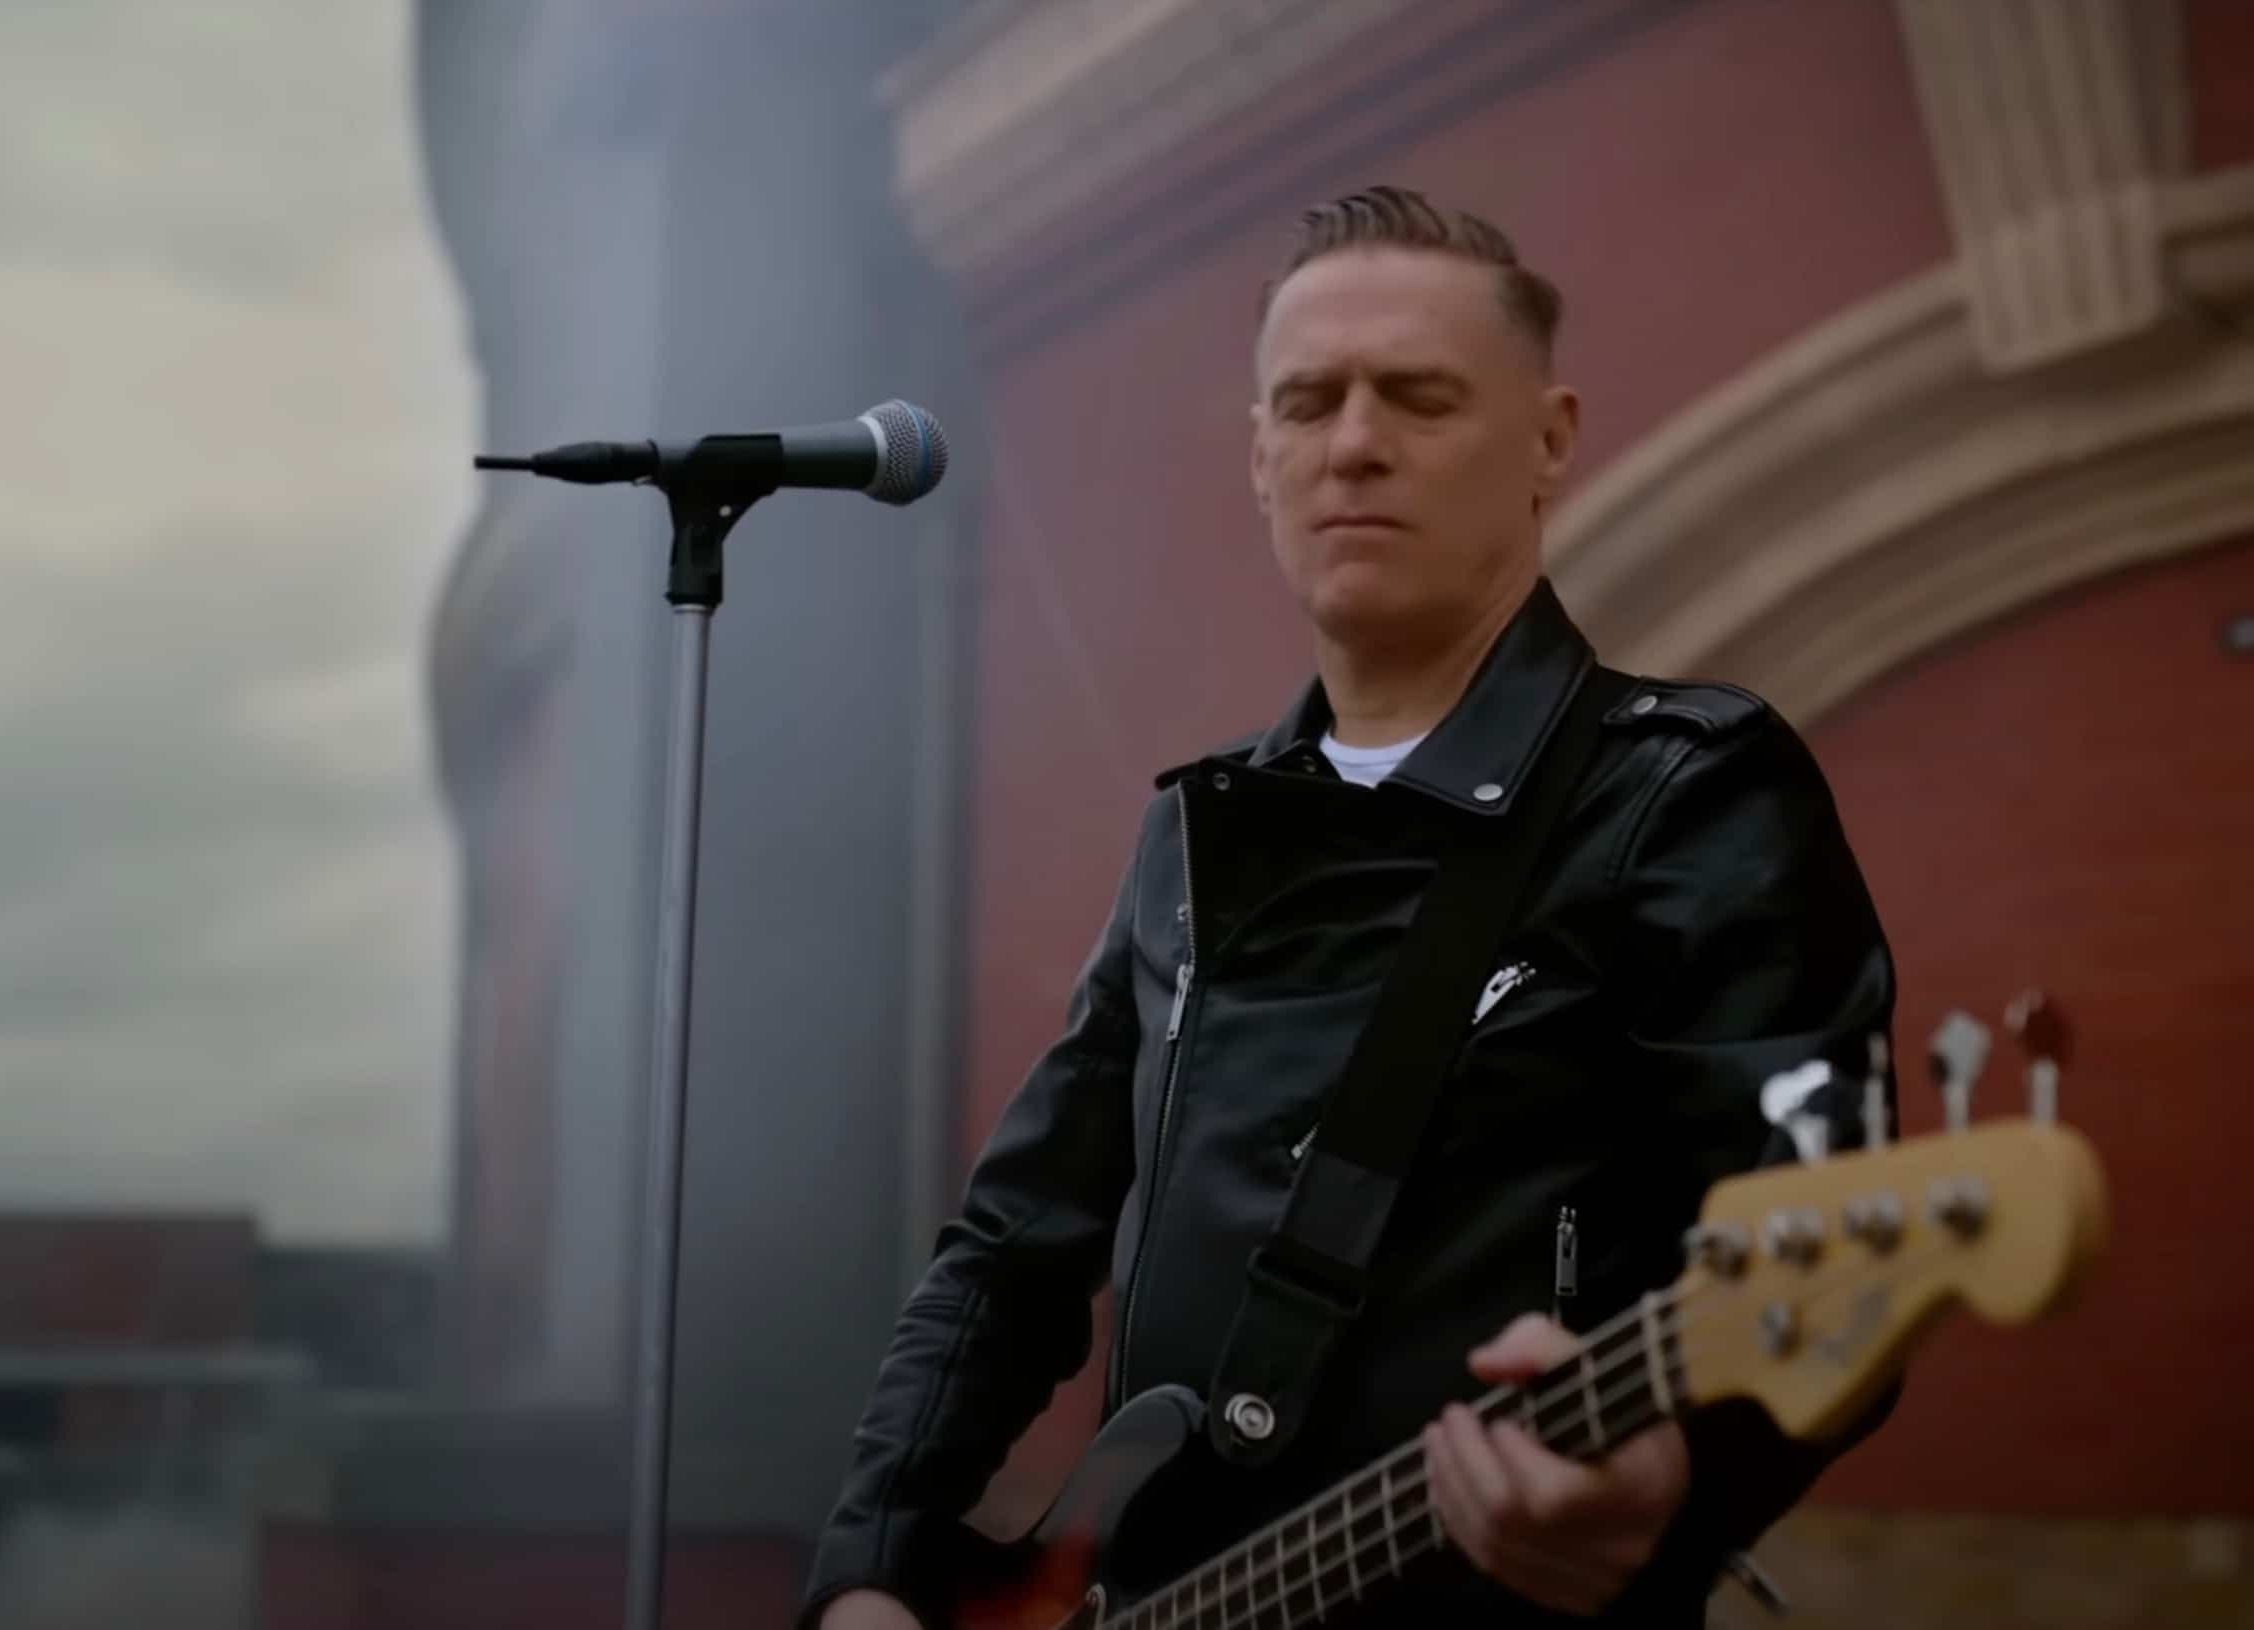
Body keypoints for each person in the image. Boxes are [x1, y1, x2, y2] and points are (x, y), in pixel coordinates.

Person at [801, 185, 1899, 1630]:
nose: (1356, 442)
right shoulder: (1193, 837)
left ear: (1550, 440)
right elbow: (1014, 1243)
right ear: (1260, 456)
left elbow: (1831, 1253)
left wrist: (1685, 1475)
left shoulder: (1688, 795)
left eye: (1420, 398)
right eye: (1309, 402)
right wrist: (871, 1570)